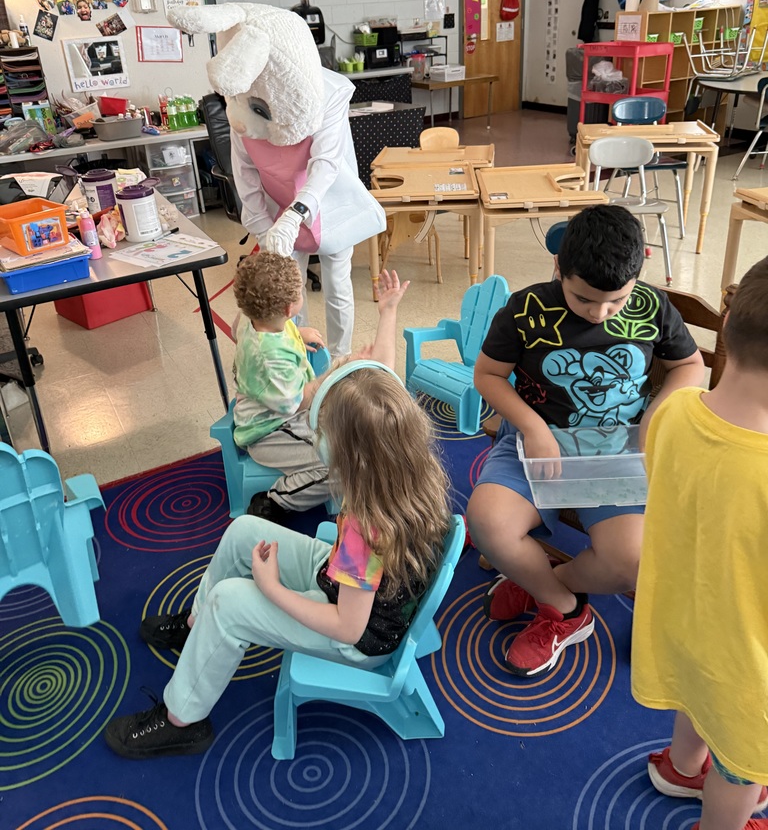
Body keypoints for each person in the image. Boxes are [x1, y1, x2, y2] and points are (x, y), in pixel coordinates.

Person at [104, 356, 451, 759]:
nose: (316, 437)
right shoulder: (412, 473)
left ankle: (182, 719)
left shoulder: (365, 526)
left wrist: (269, 588)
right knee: (244, 532)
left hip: (357, 638)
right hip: (354, 588)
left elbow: (347, 629)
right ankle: (198, 625)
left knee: (230, 602)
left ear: (354, 454)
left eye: (322, 432)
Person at [467, 205, 704, 678]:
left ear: (640, 273)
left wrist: (653, 418)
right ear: (558, 268)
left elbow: (689, 366)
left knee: (632, 558)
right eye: (583, 298)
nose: (599, 313)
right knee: (487, 522)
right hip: (538, 445)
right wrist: (533, 428)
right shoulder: (525, 308)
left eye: (616, 301)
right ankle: (565, 608)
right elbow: (488, 375)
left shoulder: (653, 307)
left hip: (617, 452)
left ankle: (546, 585)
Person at [631, 257, 768, 830]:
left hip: (680, 622)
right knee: (742, 775)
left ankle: (684, 765)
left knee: (694, 695)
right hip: (747, 670)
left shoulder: (675, 413)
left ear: (729, 322)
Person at [167, 2, 386, 358]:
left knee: (337, 285)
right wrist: (263, 228)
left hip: (326, 202)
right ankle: (295, 354)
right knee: (286, 290)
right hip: (277, 203)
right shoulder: (242, 99)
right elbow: (245, 175)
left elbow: (325, 165)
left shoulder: (327, 96)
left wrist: (297, 214)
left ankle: (339, 358)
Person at [231, 252, 408, 524]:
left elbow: (242, 331)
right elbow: (298, 402)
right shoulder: (270, 358)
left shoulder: (252, 317)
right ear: (291, 309)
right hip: (271, 430)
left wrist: (296, 334)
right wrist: (339, 368)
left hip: (286, 413)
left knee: (359, 429)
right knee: (341, 467)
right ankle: (275, 500)